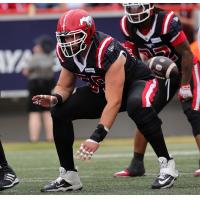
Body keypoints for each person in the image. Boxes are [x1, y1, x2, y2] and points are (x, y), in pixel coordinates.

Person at [32, 9, 178, 192]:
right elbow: (65, 85)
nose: (69, 42)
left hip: (137, 84)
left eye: (74, 36)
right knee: (59, 111)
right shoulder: (65, 51)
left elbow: (114, 102)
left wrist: (96, 137)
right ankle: (68, 175)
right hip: (102, 89)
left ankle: (167, 164)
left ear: (89, 33)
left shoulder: (106, 49)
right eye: (65, 37)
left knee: (137, 106)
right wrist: (55, 98)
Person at [115, 3, 200, 177]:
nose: (135, 12)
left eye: (139, 7)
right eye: (131, 8)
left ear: (150, 6)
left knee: (193, 112)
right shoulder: (127, 25)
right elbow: (132, 57)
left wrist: (184, 85)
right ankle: (136, 164)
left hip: (186, 68)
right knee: (145, 111)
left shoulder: (166, 21)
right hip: (161, 72)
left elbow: (186, 54)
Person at [22, 35, 55, 142]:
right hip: (48, 85)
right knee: (47, 112)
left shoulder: (35, 57)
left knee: (34, 113)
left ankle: (34, 139)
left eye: (38, 45)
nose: (35, 47)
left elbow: (26, 71)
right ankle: (50, 138)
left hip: (35, 85)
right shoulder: (50, 57)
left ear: (41, 47)